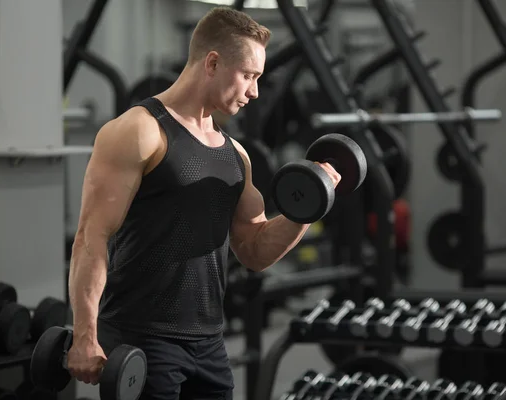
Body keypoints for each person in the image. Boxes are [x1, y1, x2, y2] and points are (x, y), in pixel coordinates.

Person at [66, 6, 341, 400]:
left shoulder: (236, 155)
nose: (255, 91)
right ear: (212, 62)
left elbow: (255, 251)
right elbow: (91, 237)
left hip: (210, 343)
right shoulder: (139, 131)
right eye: (249, 76)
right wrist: (85, 335)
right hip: (142, 338)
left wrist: (308, 206)